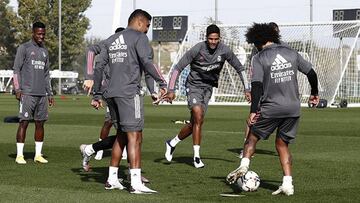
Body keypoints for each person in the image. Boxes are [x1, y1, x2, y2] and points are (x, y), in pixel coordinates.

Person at [226, 23, 320, 196]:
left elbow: (256, 85)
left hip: (271, 108)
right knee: (282, 144)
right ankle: (288, 184)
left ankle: (244, 166)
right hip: (293, 108)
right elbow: (311, 73)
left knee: (251, 139)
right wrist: (314, 93)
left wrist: (254, 110)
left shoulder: (259, 57)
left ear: (256, 42)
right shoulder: (291, 52)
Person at [92, 9, 167, 194]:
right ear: (140, 22)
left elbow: (98, 66)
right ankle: (135, 183)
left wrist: (96, 94)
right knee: (135, 136)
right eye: (147, 25)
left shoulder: (110, 40)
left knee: (121, 136)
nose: (147, 30)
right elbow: (147, 62)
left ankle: (112, 179)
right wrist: (162, 82)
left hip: (111, 94)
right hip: (129, 93)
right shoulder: (139, 37)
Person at [164, 24, 251, 168]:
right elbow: (178, 67)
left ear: (219, 38)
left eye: (216, 39)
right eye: (210, 39)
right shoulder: (197, 49)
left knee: (195, 123)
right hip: (193, 86)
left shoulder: (224, 51)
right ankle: (197, 157)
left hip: (208, 89)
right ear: (206, 38)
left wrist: (247, 89)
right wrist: (171, 89)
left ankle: (172, 143)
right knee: (197, 115)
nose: (213, 42)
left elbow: (240, 68)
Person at [13, 22, 54, 164]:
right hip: (27, 93)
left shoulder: (45, 51)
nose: (41, 36)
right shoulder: (24, 48)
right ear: (33, 33)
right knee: (24, 122)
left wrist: (50, 93)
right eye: (39, 34)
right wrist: (17, 89)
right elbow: (16, 70)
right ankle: (19, 155)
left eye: (43, 34)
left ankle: (38, 155)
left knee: (40, 124)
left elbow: (46, 74)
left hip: (41, 94)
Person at [239, 21, 282, 159]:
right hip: (260, 86)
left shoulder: (280, 47)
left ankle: (281, 146)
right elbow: (254, 71)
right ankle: (245, 148)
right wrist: (251, 89)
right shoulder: (258, 49)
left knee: (282, 116)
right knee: (252, 117)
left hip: (275, 87)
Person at [84, 27, 125, 161]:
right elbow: (91, 51)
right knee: (109, 122)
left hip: (124, 92)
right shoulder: (107, 44)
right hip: (110, 92)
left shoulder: (127, 48)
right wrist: (90, 76)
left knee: (125, 123)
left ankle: (122, 148)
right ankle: (98, 148)